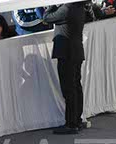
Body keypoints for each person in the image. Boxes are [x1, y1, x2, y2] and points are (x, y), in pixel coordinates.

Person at [43, 2, 86, 134]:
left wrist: (52, 4)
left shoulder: (66, 9)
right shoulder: (79, 7)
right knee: (76, 87)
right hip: (76, 52)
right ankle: (77, 120)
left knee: (69, 89)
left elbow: (46, 17)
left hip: (67, 53)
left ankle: (71, 124)